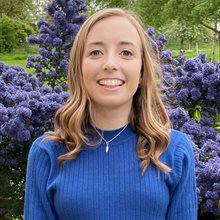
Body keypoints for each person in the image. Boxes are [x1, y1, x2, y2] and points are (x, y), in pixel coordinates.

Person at [24, 8, 197, 220]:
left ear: (142, 71)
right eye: (96, 52)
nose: (110, 65)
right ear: (79, 68)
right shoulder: (48, 153)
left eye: (126, 52)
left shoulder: (173, 151)